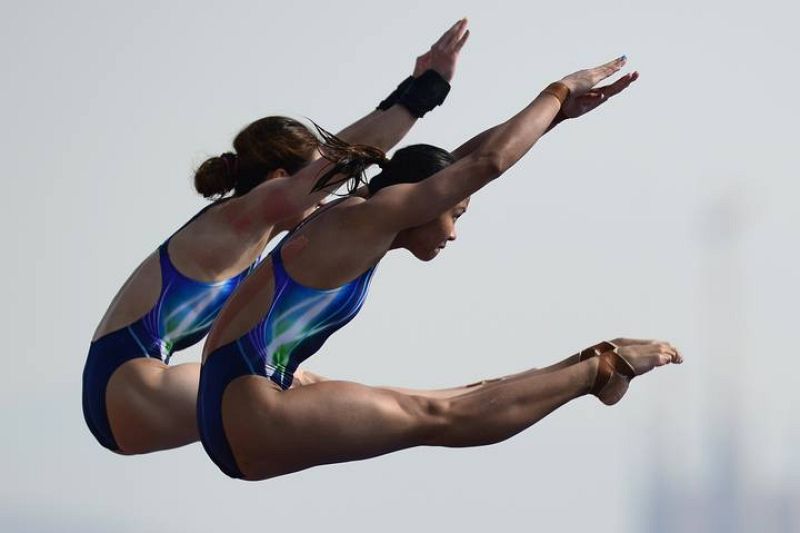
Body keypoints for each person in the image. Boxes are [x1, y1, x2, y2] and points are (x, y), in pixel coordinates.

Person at [197, 54, 683, 481]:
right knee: (441, 414)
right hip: (249, 410)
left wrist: (553, 119)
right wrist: (556, 93)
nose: (453, 232)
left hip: (234, 398)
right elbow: (487, 163)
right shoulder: (369, 218)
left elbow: (463, 162)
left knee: (472, 393)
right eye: (455, 214)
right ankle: (601, 367)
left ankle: (588, 368)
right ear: (421, 203)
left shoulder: (358, 215)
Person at [82, 19, 471, 455]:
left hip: (123, 390)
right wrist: (426, 93)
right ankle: (432, 415)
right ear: (278, 178)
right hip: (128, 389)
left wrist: (409, 89)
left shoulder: (243, 228)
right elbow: (341, 158)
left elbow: (350, 161)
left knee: (307, 384)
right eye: (315, 185)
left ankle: (436, 404)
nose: (326, 198)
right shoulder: (242, 217)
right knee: (277, 395)